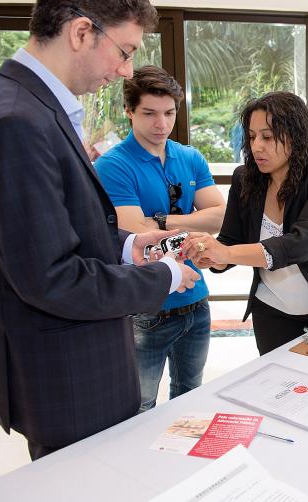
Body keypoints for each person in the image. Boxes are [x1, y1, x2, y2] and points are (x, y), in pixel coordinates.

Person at [0, 0, 200, 460]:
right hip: (68, 378)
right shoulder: (16, 120)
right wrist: (162, 275)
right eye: (125, 51)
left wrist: (127, 246)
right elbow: (50, 278)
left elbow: (51, 231)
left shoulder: (30, 107)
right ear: (81, 32)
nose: (126, 71)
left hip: (74, 364)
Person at [181, 92, 308, 355]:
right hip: (271, 310)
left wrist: (226, 253)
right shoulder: (245, 179)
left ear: (296, 135)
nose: (256, 147)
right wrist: (212, 256)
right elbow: (231, 240)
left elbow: (301, 244)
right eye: (252, 137)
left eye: (267, 137)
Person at [94, 66, 225, 411]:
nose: (161, 124)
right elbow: (139, 236)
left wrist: (161, 220)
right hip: (146, 306)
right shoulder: (113, 165)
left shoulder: (190, 157)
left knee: (190, 400)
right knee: (138, 408)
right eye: (149, 113)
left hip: (195, 299)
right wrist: (192, 225)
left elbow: (219, 216)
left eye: (169, 113)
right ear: (129, 111)